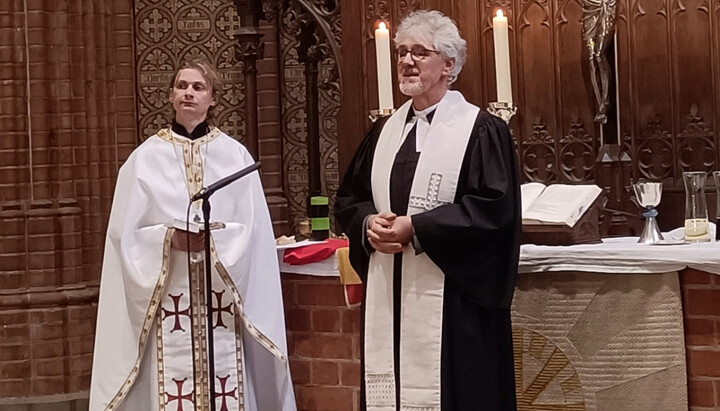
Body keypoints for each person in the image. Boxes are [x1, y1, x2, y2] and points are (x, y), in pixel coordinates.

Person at [334, 10, 521, 411]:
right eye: (402, 52)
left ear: (448, 65)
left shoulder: (480, 129)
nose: (406, 61)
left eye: (420, 52)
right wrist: (369, 223)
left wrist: (416, 228)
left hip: (456, 304)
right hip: (392, 292)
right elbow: (349, 198)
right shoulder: (383, 132)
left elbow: (494, 210)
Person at [89, 59, 296, 411]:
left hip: (223, 295)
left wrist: (217, 239)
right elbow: (126, 237)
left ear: (212, 99)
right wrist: (169, 239)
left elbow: (255, 231)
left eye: (198, 87)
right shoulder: (143, 160)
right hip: (169, 291)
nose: (189, 93)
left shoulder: (235, 156)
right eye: (182, 86)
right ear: (171, 95)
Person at [582, 0, 617, 124]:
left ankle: (605, 102)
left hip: (605, 8)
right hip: (589, 11)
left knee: (599, 55)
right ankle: (600, 104)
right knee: (591, 59)